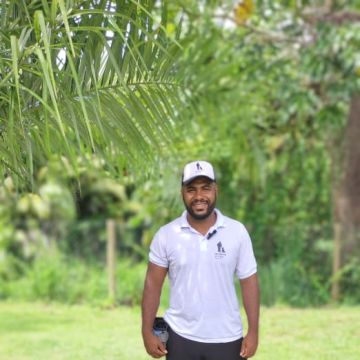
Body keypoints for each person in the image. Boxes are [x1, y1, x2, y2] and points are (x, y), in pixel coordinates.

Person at [141, 160, 260, 360]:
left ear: (216, 190)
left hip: (228, 338)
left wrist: (254, 332)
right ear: (182, 193)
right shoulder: (167, 234)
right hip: (180, 337)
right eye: (191, 190)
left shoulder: (236, 232)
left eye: (206, 188)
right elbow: (152, 285)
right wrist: (146, 332)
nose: (199, 196)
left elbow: (249, 283)